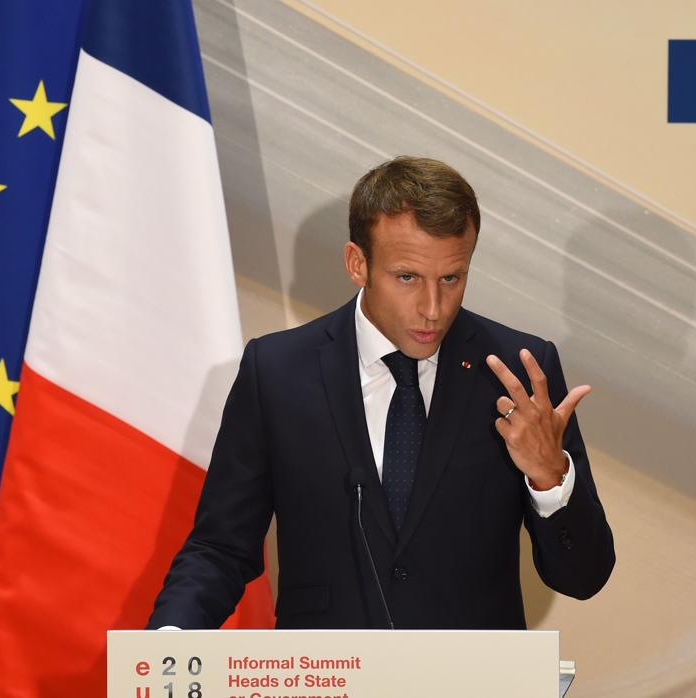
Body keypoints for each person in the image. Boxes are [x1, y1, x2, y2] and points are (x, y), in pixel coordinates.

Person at [148, 156, 614, 630]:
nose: (433, 309)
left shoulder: (518, 373)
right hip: (324, 678)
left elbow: (584, 577)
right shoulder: (278, 372)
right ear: (357, 263)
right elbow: (221, 547)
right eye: (407, 277)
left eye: (451, 278)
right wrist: (166, 648)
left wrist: (551, 478)